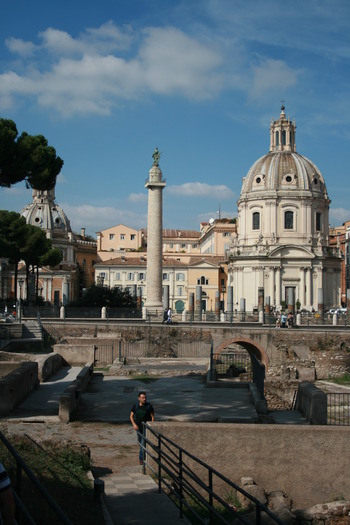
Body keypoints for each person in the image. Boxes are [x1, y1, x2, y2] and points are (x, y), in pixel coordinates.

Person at [130, 392, 155, 465]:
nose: (144, 399)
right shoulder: (136, 406)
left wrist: (151, 425)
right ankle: (144, 453)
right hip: (138, 427)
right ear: (139, 398)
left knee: (142, 443)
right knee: (140, 442)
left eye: (145, 397)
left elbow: (152, 417)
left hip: (145, 427)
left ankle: (141, 459)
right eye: (143, 397)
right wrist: (134, 424)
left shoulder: (148, 406)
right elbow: (131, 416)